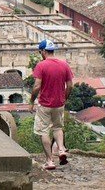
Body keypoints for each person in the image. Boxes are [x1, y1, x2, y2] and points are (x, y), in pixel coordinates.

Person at [30, 38, 73, 171]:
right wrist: (64, 98)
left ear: (43, 51)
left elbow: (37, 86)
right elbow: (70, 85)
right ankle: (61, 150)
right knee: (57, 128)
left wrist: (31, 101)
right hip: (59, 104)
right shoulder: (64, 65)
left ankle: (49, 161)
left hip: (44, 104)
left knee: (43, 131)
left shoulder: (41, 66)